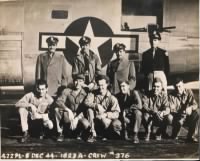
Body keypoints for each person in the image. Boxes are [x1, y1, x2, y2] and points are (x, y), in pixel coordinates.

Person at [54, 74, 93, 142]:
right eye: (76, 81)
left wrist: (77, 118)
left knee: (86, 124)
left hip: (80, 116)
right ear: (73, 81)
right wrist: (68, 110)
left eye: (80, 81)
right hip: (69, 115)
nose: (77, 83)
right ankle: (60, 132)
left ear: (83, 82)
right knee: (56, 110)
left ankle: (88, 133)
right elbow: (58, 101)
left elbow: (85, 107)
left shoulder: (86, 93)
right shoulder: (67, 91)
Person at [84, 75, 121, 140]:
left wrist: (106, 114)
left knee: (114, 123)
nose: (100, 87)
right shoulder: (93, 94)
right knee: (89, 110)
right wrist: (96, 105)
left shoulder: (112, 98)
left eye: (102, 85)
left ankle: (107, 134)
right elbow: (86, 102)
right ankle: (92, 133)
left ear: (107, 84)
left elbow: (116, 113)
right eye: (99, 85)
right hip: (95, 120)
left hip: (106, 121)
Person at [168, 77, 199, 142]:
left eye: (180, 86)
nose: (178, 88)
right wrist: (180, 114)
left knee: (196, 113)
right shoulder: (171, 95)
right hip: (177, 117)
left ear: (183, 85)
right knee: (170, 118)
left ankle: (191, 135)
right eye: (176, 87)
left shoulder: (189, 91)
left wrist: (190, 108)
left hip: (187, 115)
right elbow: (171, 109)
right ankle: (175, 132)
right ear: (174, 87)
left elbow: (195, 105)